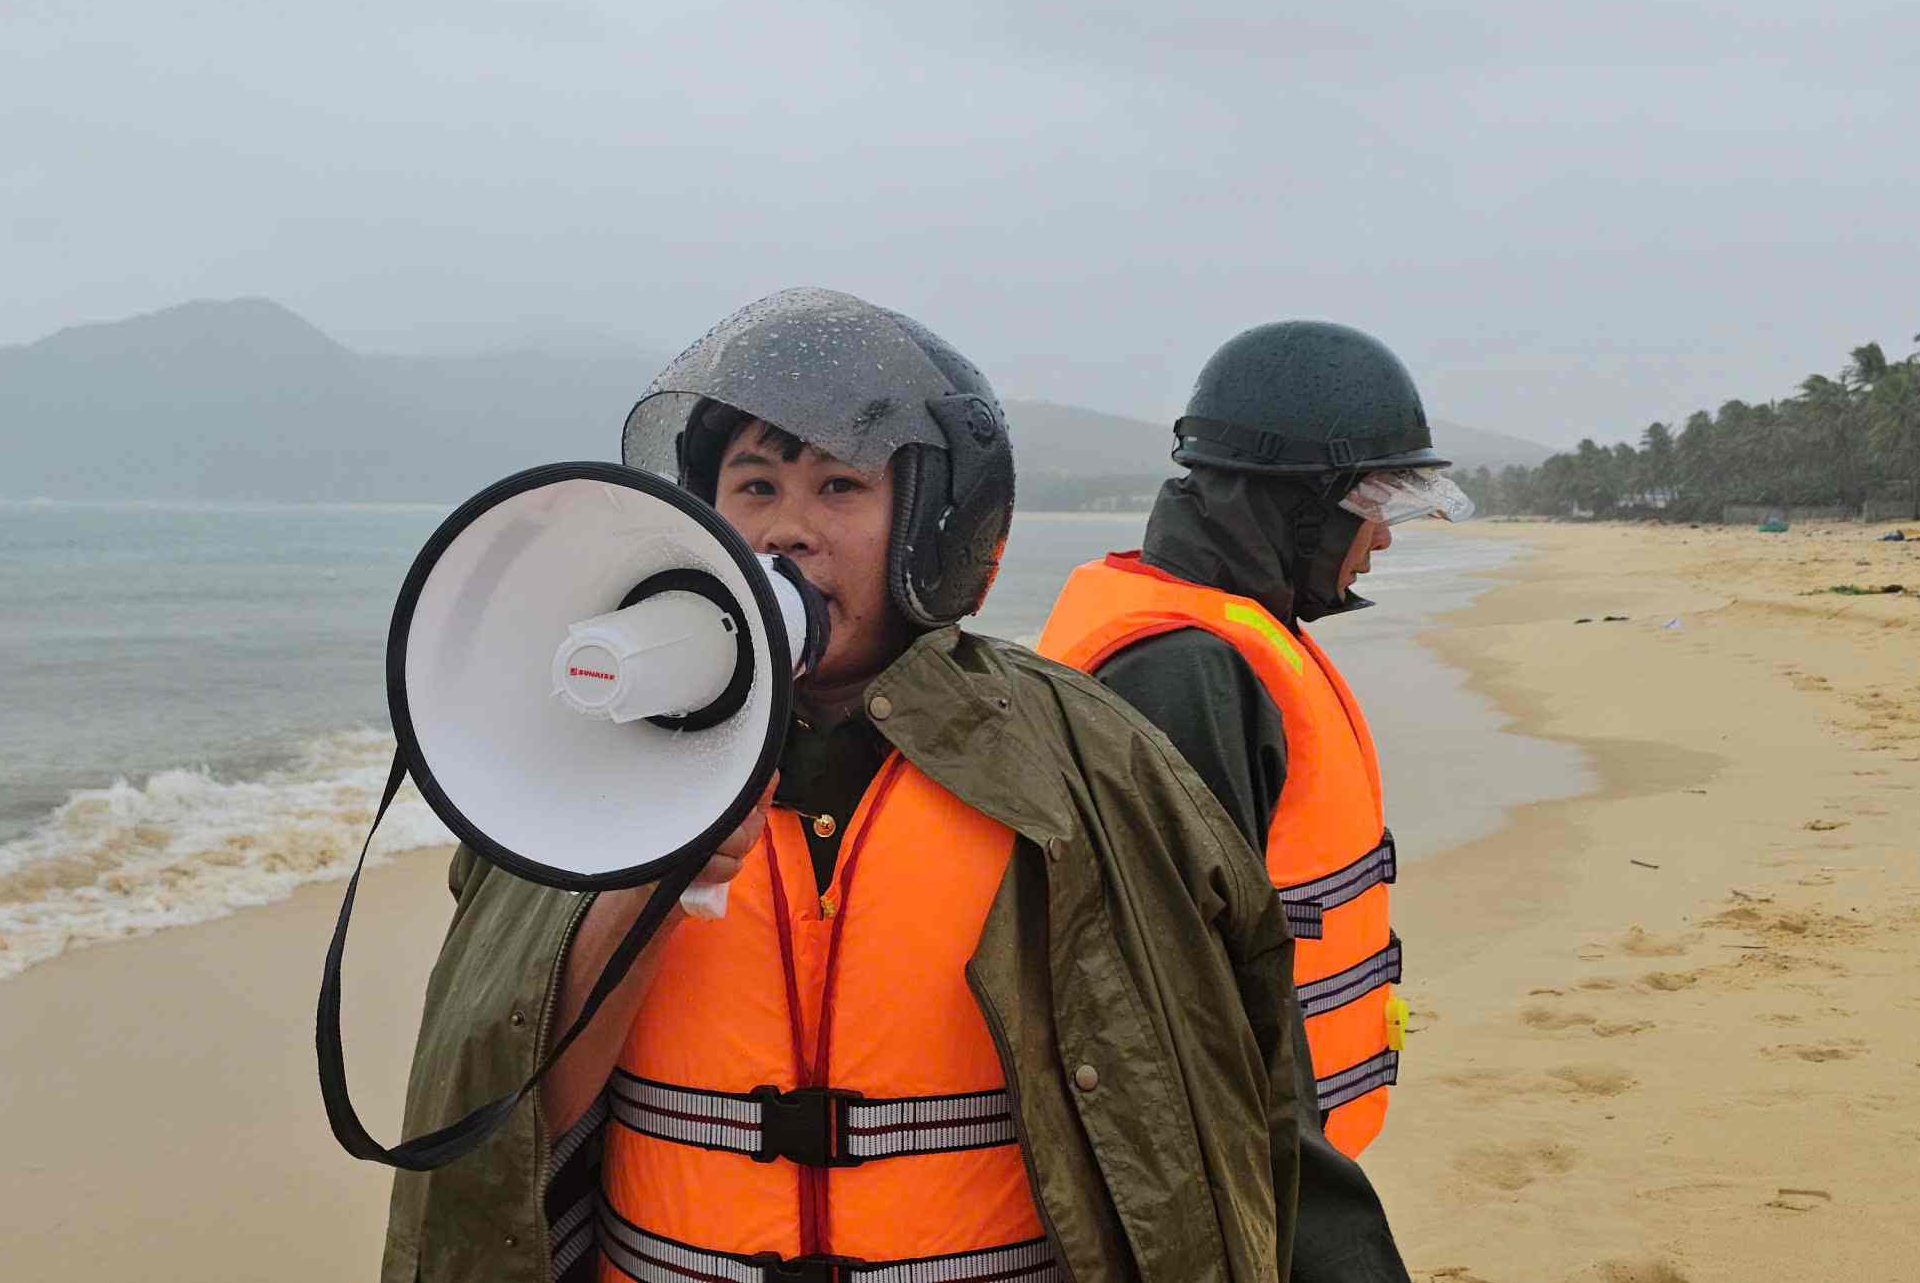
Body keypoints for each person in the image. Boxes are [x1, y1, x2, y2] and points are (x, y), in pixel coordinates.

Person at [381, 289, 1313, 1283]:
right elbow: (514, 1124)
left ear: (932, 526)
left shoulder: (1086, 762)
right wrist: (641, 888)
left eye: (837, 486)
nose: (787, 531)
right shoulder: (586, 778)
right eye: (753, 487)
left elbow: (1227, 1087)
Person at [1035, 319, 1452, 1282]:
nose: (1384, 532)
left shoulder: (1225, 640)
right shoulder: (1181, 672)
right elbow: (1196, 1026)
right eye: (1376, 498)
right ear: (1295, 505)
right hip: (1244, 1186)